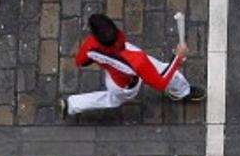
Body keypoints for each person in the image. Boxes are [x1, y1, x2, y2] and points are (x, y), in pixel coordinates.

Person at [59, 14, 205, 117]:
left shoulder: (90, 46)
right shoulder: (138, 59)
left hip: (115, 78)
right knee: (166, 71)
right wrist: (178, 58)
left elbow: (80, 62)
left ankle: (71, 104)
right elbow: (159, 84)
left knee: (109, 98)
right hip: (128, 85)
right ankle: (180, 92)